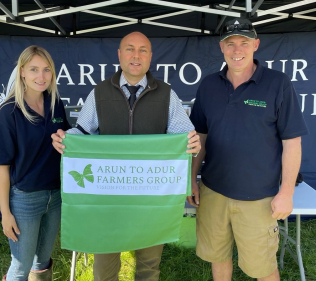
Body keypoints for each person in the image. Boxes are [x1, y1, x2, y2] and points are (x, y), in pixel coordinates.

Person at [51, 31, 201, 281]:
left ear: (151, 57)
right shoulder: (99, 92)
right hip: (108, 196)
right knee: (105, 270)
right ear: (119, 55)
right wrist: (65, 138)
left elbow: (185, 137)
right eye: (130, 49)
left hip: (151, 198)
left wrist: (192, 142)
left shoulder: (166, 94)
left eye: (143, 50)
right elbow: (82, 130)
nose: (136, 55)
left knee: (149, 268)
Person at [188, 18, 308, 281]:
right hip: (213, 192)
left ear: (256, 44)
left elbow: (292, 142)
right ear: (222, 47)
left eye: (243, 42)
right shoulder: (209, 85)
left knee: (262, 269)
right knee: (218, 258)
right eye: (230, 43)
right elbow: (201, 138)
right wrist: (192, 180)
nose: (237, 50)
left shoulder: (278, 83)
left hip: (258, 199)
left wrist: (286, 192)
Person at [0, 45, 71, 281]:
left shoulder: (55, 103)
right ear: (22, 72)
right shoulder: (9, 111)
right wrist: (6, 213)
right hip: (25, 199)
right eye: (34, 69)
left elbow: (67, 142)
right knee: (21, 265)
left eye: (47, 70)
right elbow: (2, 167)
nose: (41, 76)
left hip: (55, 196)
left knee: (43, 261)